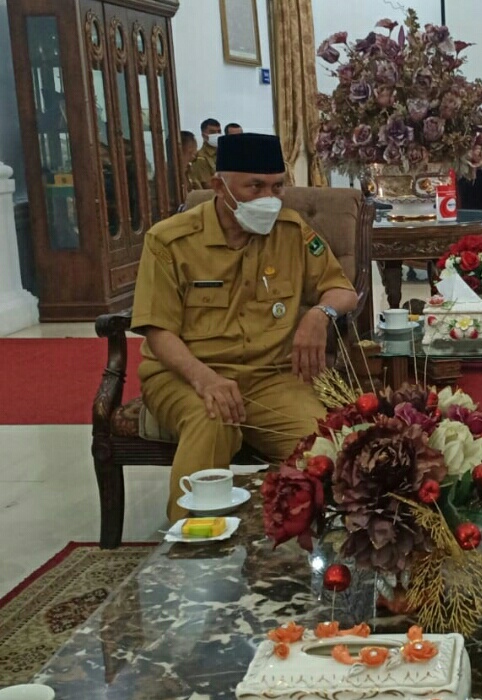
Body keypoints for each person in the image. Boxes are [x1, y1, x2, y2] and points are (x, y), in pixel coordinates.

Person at [131, 133, 358, 522]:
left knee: (322, 448)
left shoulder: (291, 231)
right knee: (211, 421)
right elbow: (158, 330)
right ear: (219, 186)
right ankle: (191, 539)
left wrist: (319, 314)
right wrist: (204, 379)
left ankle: (305, 538)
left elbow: (343, 291)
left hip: (272, 377)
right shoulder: (169, 240)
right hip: (186, 376)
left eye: (276, 187)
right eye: (255, 187)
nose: (268, 198)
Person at [189, 118, 222, 189]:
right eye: (212, 132)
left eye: (219, 131)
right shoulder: (200, 158)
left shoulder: (224, 153)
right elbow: (207, 185)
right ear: (204, 135)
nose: (217, 134)